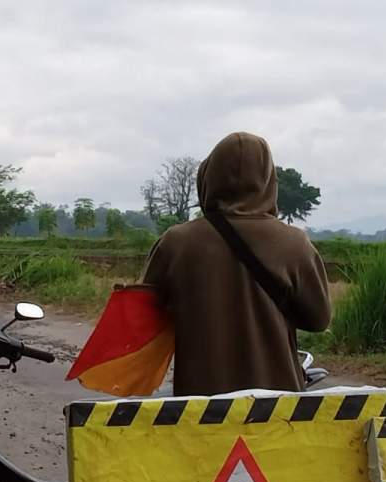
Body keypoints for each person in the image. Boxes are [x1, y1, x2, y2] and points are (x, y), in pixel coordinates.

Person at [140, 131, 331, 396]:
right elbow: (319, 319)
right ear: (268, 181)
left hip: (200, 403)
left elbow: (142, 319)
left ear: (209, 178)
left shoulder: (176, 242)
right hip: (279, 403)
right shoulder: (295, 244)